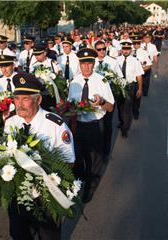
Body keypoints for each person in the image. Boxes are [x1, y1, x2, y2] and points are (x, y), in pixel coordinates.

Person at [4, 72, 75, 240]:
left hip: (45, 196)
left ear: (39, 100)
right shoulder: (10, 123)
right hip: (18, 194)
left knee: (48, 235)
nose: (19, 104)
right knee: (18, 233)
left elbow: (69, 162)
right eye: (17, 98)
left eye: (25, 99)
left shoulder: (56, 125)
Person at [68, 48, 114, 203]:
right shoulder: (74, 82)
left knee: (94, 161)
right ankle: (80, 182)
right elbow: (71, 105)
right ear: (79, 64)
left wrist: (101, 101)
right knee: (77, 158)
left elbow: (110, 107)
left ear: (93, 64)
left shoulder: (102, 81)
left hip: (95, 125)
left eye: (89, 63)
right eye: (83, 64)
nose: (86, 67)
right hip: (78, 126)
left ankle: (90, 188)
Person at [94, 40, 124, 157]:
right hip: (95, 97)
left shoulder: (112, 61)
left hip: (108, 97)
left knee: (107, 124)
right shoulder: (92, 62)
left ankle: (106, 151)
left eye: (104, 49)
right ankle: (97, 148)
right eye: (99, 49)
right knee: (96, 123)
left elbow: (120, 77)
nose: (102, 51)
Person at [116, 41, 144, 137]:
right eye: (124, 49)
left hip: (129, 86)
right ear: (122, 50)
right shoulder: (117, 60)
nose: (126, 51)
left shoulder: (135, 61)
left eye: (128, 49)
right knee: (119, 107)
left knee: (127, 109)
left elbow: (139, 76)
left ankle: (125, 128)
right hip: (119, 87)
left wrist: (140, 89)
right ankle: (122, 122)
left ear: (130, 50)